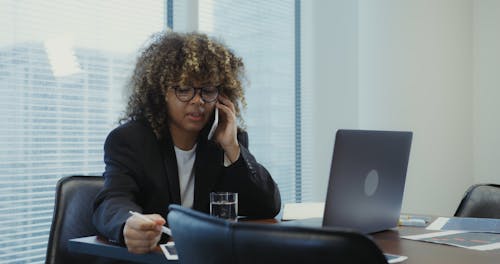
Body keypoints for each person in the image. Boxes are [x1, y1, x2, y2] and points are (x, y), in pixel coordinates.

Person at [92, 31, 281, 254]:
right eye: (184, 89)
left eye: (207, 90)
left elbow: (267, 206)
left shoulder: (225, 140)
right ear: (161, 92)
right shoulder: (130, 140)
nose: (198, 100)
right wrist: (127, 225)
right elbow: (113, 199)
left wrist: (232, 148)